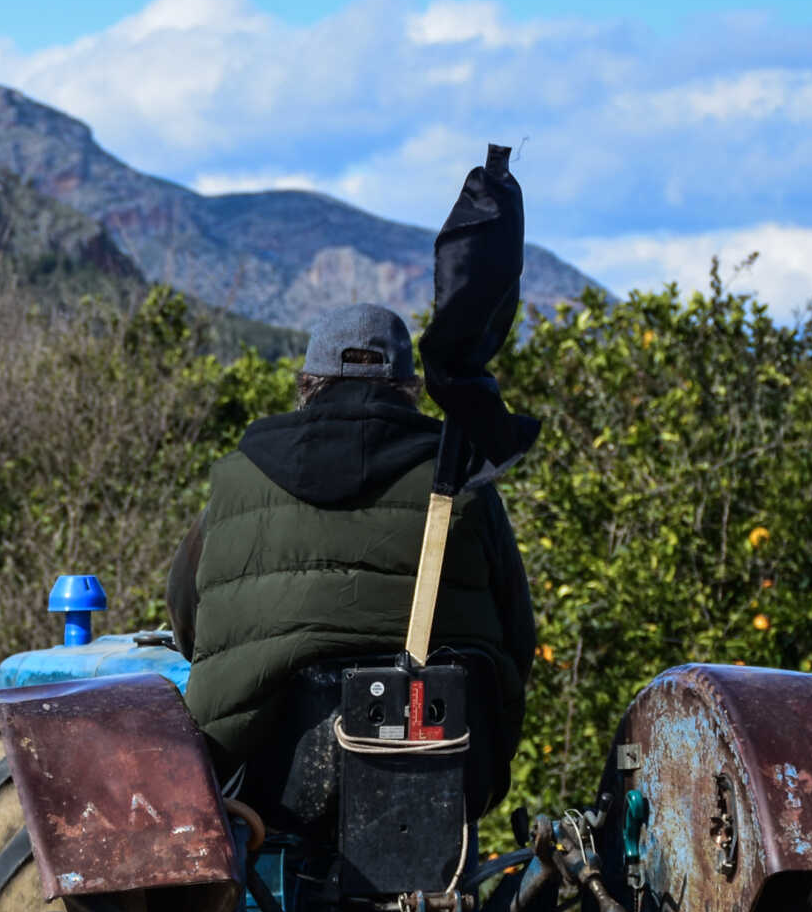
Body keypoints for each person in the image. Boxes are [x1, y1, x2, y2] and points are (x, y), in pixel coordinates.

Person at [167, 300, 536, 771]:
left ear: (306, 383)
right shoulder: (459, 484)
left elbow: (186, 619)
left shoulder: (237, 481)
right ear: (409, 389)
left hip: (264, 771)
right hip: (445, 761)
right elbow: (517, 639)